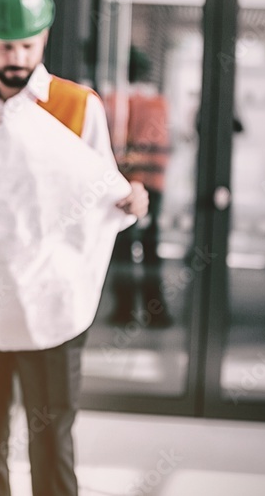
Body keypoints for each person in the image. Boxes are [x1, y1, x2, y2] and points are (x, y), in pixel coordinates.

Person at [0, 0, 148, 496]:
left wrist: (129, 204)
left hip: (52, 306)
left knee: (52, 445)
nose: (18, 61)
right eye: (6, 48)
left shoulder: (79, 108)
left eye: (28, 47)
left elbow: (103, 195)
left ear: (44, 37)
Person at [106, 46, 173, 327]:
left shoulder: (113, 101)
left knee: (122, 246)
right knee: (150, 246)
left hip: (122, 184)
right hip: (153, 184)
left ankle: (123, 310)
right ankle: (155, 311)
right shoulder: (159, 104)